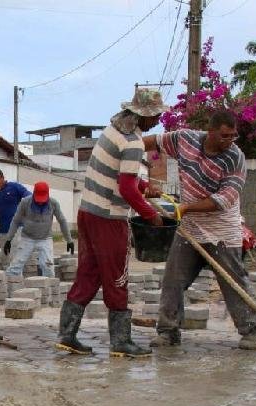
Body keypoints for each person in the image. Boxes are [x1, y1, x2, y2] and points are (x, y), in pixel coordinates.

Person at [57, 88, 166, 359]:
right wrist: (150, 214)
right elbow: (126, 189)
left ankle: (66, 335)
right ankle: (121, 341)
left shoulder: (112, 130)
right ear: (142, 115)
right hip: (109, 217)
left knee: (88, 273)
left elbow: (121, 176)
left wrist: (145, 187)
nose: (157, 121)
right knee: (118, 276)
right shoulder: (133, 142)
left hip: (88, 212)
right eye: (155, 116)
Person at [143, 109, 256, 350]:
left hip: (222, 231)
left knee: (234, 283)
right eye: (225, 135)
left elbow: (223, 200)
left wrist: (186, 207)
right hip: (190, 228)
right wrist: (126, 152)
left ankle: (250, 331)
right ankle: (168, 331)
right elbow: (152, 141)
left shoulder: (236, 158)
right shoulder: (185, 139)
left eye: (233, 136)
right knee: (173, 280)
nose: (230, 141)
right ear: (211, 131)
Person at [3, 181, 73, 278]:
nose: (40, 202)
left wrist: (69, 240)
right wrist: (8, 239)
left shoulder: (53, 203)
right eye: (38, 199)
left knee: (48, 267)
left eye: (42, 199)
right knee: (15, 266)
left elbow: (62, 221)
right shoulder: (25, 202)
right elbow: (16, 221)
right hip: (27, 238)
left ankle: (49, 287)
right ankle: (9, 286)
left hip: (45, 239)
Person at [0, 168, 31, 246]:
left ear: (3, 178)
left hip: (17, 230)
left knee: (16, 253)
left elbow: (29, 196)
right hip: (2, 231)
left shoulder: (14, 186)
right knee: (5, 254)